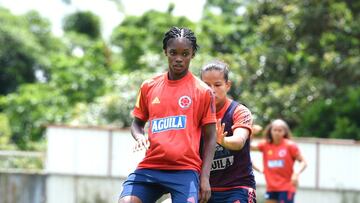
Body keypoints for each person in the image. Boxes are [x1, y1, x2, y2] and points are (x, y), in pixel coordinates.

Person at [118, 27, 217, 203]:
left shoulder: (203, 92)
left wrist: (205, 178)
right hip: (151, 167)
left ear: (192, 54)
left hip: (185, 170)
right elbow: (137, 123)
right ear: (165, 52)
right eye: (173, 53)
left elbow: (210, 138)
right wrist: (140, 136)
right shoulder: (149, 86)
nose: (179, 59)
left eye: (185, 54)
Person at [200, 60, 256, 203]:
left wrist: (222, 140)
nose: (212, 90)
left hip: (237, 188)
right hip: (204, 188)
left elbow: (239, 142)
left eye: (217, 85)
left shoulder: (239, 111)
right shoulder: (195, 113)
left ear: (227, 85)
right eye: (206, 85)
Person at [251, 119, 307, 203]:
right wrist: (251, 133)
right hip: (271, 187)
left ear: (284, 132)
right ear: (270, 131)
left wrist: (296, 173)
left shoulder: (290, 146)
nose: (277, 132)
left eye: (280, 130)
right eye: (275, 130)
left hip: (287, 187)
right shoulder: (265, 145)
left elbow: (303, 162)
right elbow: (247, 147)